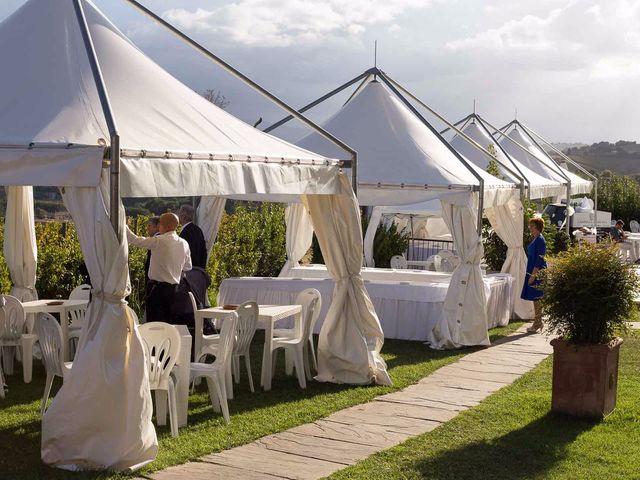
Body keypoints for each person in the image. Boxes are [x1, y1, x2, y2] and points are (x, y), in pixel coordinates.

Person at [127, 213, 192, 323]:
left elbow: (136, 240)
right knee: (169, 323)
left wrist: (124, 226)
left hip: (157, 289)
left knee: (155, 323)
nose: (158, 227)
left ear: (167, 226)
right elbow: (188, 266)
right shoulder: (184, 243)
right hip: (174, 290)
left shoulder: (159, 240)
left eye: (160, 224)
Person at [522, 217, 547, 333]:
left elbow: (539, 259)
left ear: (537, 227)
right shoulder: (536, 239)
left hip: (537, 272)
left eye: (532, 226)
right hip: (532, 270)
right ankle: (538, 322)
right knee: (535, 298)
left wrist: (533, 275)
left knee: (537, 298)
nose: (530, 228)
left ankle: (537, 323)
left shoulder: (540, 240)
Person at [178, 204, 208, 269]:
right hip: (200, 270)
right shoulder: (198, 230)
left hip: (190, 271)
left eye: (179, 213)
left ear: (183, 216)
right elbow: (204, 251)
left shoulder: (185, 233)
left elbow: (184, 253)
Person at [143, 216, 161, 285]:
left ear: (157, 227)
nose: (147, 228)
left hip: (154, 281)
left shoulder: (156, 240)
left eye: (149, 225)